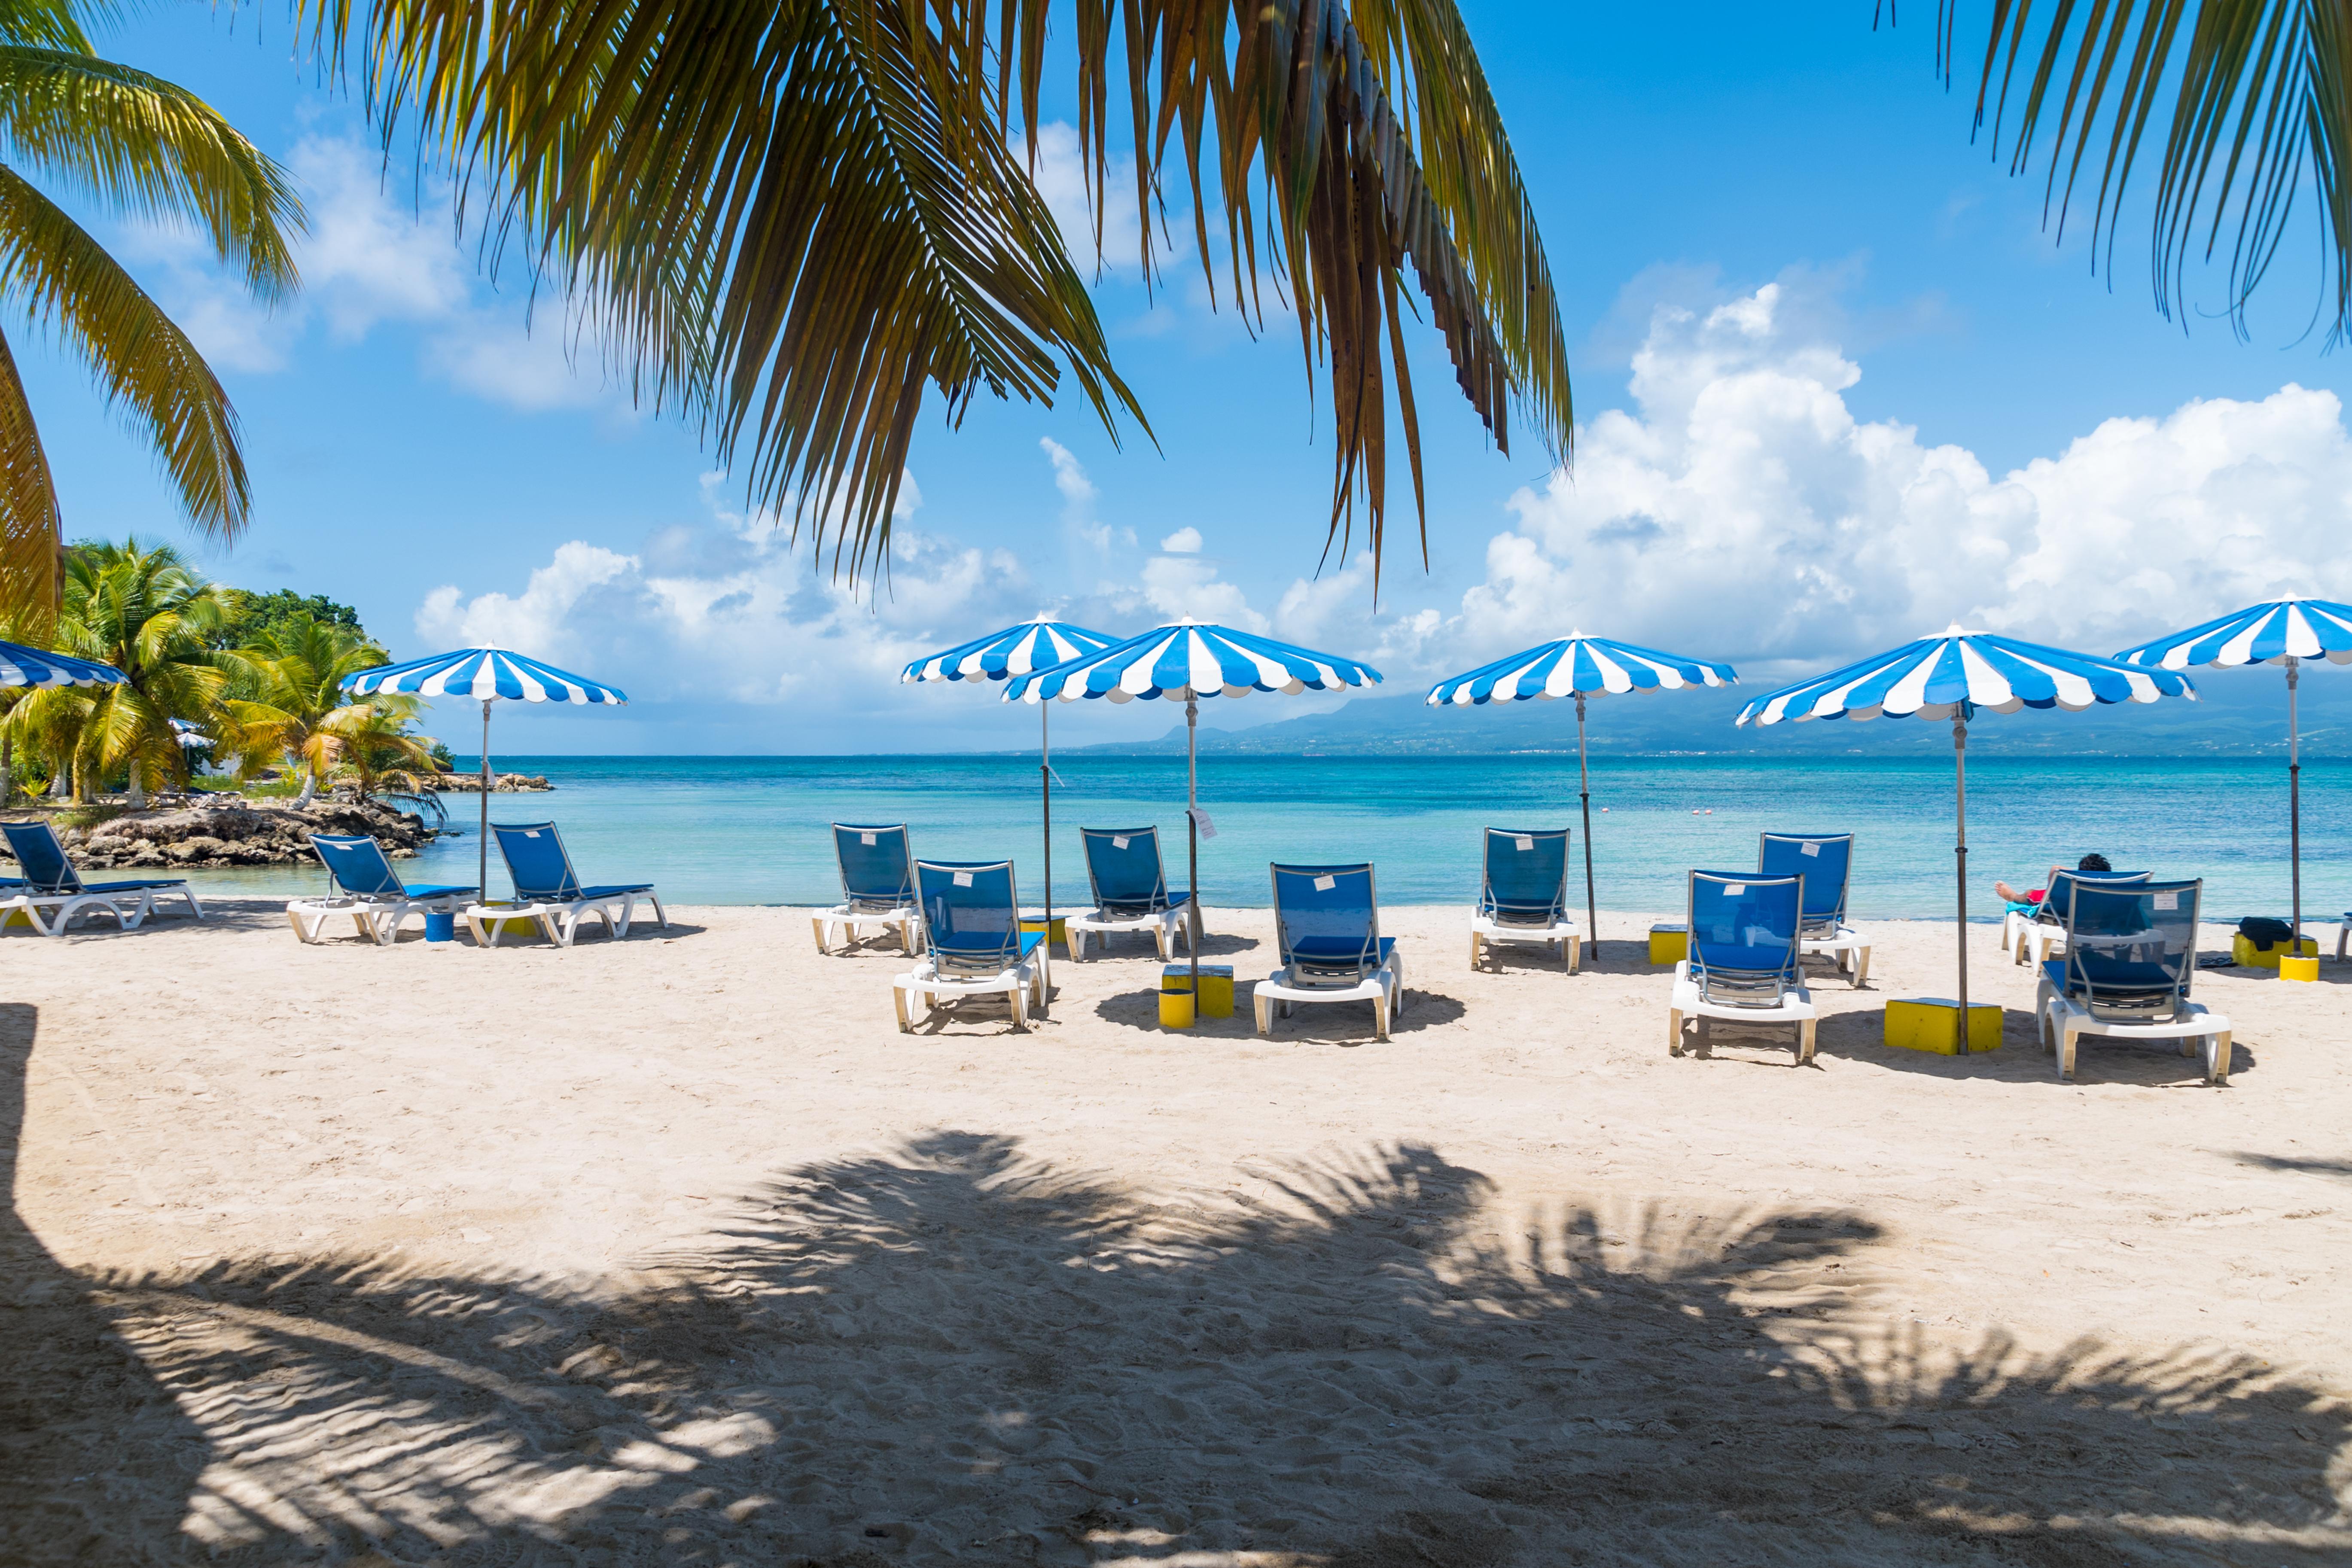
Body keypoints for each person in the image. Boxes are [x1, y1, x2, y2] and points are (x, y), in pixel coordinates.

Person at [1996, 853, 2111, 909]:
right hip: (2102, 913)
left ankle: (2013, 897)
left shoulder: (2071, 893)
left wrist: (2079, 875)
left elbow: (2056, 869)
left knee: (2030, 894)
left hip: (2065, 909)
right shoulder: (2116, 892)